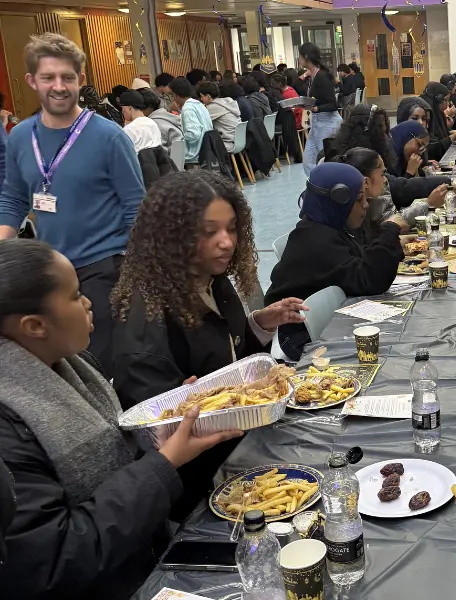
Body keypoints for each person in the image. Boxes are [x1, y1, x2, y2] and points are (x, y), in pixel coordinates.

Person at [0, 238, 243, 599]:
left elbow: (115, 448)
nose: (88, 303)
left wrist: (163, 424)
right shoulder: (10, 424)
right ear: (35, 326)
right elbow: (54, 560)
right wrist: (165, 461)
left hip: (147, 549)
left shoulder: (72, 365)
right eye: (74, 295)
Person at [0, 33, 145, 374]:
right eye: (48, 77)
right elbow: (14, 197)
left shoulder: (109, 136)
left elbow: (136, 210)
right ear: (32, 81)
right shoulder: (21, 136)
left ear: (80, 80)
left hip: (104, 267)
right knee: (63, 366)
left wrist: (137, 279)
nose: (59, 86)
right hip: (48, 271)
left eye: (67, 77)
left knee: (102, 364)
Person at [111, 170, 307, 409]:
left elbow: (229, 361)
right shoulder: (148, 320)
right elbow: (154, 419)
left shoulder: (214, 280)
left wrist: (259, 325)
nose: (227, 242)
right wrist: (184, 404)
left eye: (232, 228)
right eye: (209, 231)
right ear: (173, 236)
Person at [266, 162, 407, 358]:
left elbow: (360, 258)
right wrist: (390, 230)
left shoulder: (327, 227)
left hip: (331, 319)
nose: (366, 205)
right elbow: (371, 279)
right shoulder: (315, 241)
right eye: (359, 200)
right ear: (337, 201)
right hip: (301, 338)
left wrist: (392, 243)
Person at [299, 42, 343, 170]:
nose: (299, 59)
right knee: (308, 163)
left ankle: (325, 186)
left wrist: (316, 108)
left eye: (300, 56)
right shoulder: (313, 76)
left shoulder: (321, 76)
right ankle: (318, 186)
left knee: (325, 162)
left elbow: (333, 105)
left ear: (306, 56)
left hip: (327, 123)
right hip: (317, 123)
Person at [170, 76, 212, 166]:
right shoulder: (198, 104)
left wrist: (180, 137)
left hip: (194, 154)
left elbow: (193, 136)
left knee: (168, 152)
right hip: (206, 149)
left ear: (176, 95)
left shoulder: (188, 108)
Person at [420, 82, 456, 161]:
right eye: (446, 100)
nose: (448, 104)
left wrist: (452, 132)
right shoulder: (426, 117)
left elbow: (440, 135)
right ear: (437, 100)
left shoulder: (438, 113)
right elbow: (431, 149)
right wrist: (452, 138)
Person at [198, 81, 241, 153]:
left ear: (208, 96)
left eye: (202, 96)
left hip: (228, 142)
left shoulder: (213, 107)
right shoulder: (227, 102)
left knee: (201, 145)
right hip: (239, 140)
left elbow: (198, 120)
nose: (201, 99)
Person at [140, 88, 183, 155]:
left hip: (169, 161)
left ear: (149, 107)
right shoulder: (166, 116)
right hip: (177, 158)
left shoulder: (155, 123)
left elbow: (157, 151)